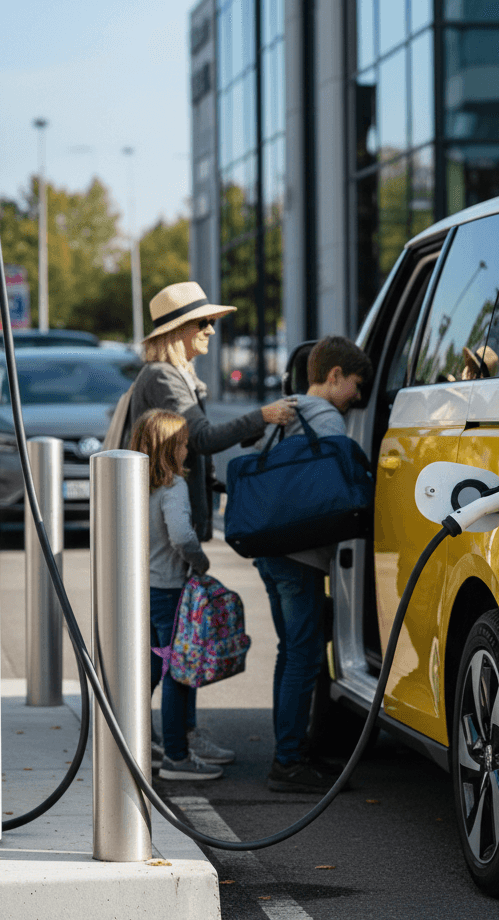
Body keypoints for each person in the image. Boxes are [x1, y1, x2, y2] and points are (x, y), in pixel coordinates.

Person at [129, 281, 298, 767]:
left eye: (211, 322)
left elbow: (190, 455)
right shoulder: (164, 377)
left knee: (173, 648)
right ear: (177, 330)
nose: (210, 330)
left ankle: (167, 734)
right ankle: (162, 739)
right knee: (175, 651)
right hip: (169, 550)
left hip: (165, 546)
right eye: (202, 322)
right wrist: (261, 416)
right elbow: (197, 438)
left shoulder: (179, 376)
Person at [254, 335, 373, 793]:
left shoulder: (286, 410)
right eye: (355, 386)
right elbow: (334, 478)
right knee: (303, 657)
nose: (358, 398)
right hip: (300, 555)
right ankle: (287, 762)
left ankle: (294, 751)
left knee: (291, 654)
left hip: (272, 549)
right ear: (335, 376)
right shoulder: (324, 417)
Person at [130, 409, 221, 781]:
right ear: (169, 448)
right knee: (178, 672)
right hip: (169, 588)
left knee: (151, 668)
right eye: (183, 444)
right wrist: (200, 564)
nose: (187, 451)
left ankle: (137, 742)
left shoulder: (134, 484)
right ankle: (177, 757)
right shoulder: (173, 486)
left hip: (141, 587)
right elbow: (182, 535)